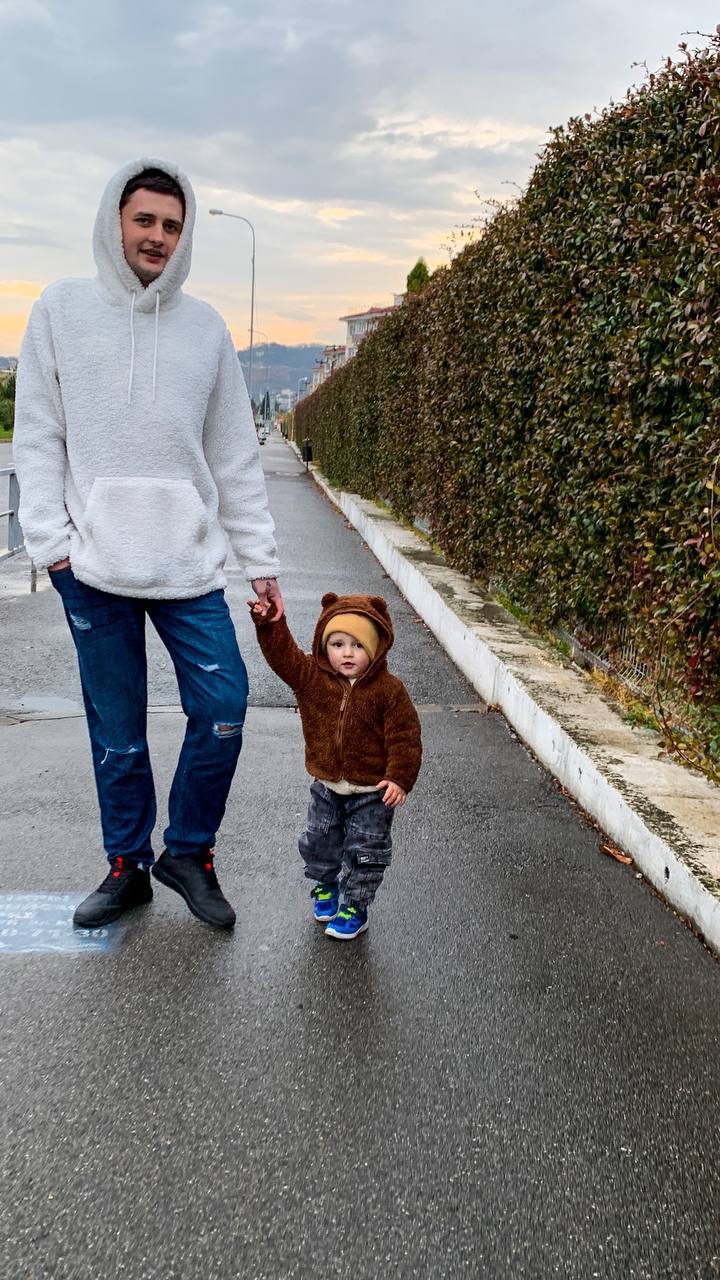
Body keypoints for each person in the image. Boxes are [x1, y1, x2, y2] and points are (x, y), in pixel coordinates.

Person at [13, 157, 284, 931]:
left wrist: (258, 562)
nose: (159, 237)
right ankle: (126, 866)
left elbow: (233, 455)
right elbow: (38, 435)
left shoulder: (206, 329)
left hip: (188, 565)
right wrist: (50, 543)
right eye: (146, 221)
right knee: (118, 732)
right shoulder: (60, 311)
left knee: (225, 706)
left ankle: (188, 853)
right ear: (116, 222)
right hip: (91, 564)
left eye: (172, 225)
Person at [250, 591, 421, 939]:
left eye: (358, 645)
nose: (346, 653)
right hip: (327, 785)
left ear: (375, 649)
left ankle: (356, 905)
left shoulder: (389, 690)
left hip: (373, 792)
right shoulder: (312, 679)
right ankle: (325, 886)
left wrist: (399, 778)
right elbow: (283, 657)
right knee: (319, 841)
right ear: (324, 645)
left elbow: (405, 736)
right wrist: (270, 625)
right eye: (337, 643)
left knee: (366, 850)